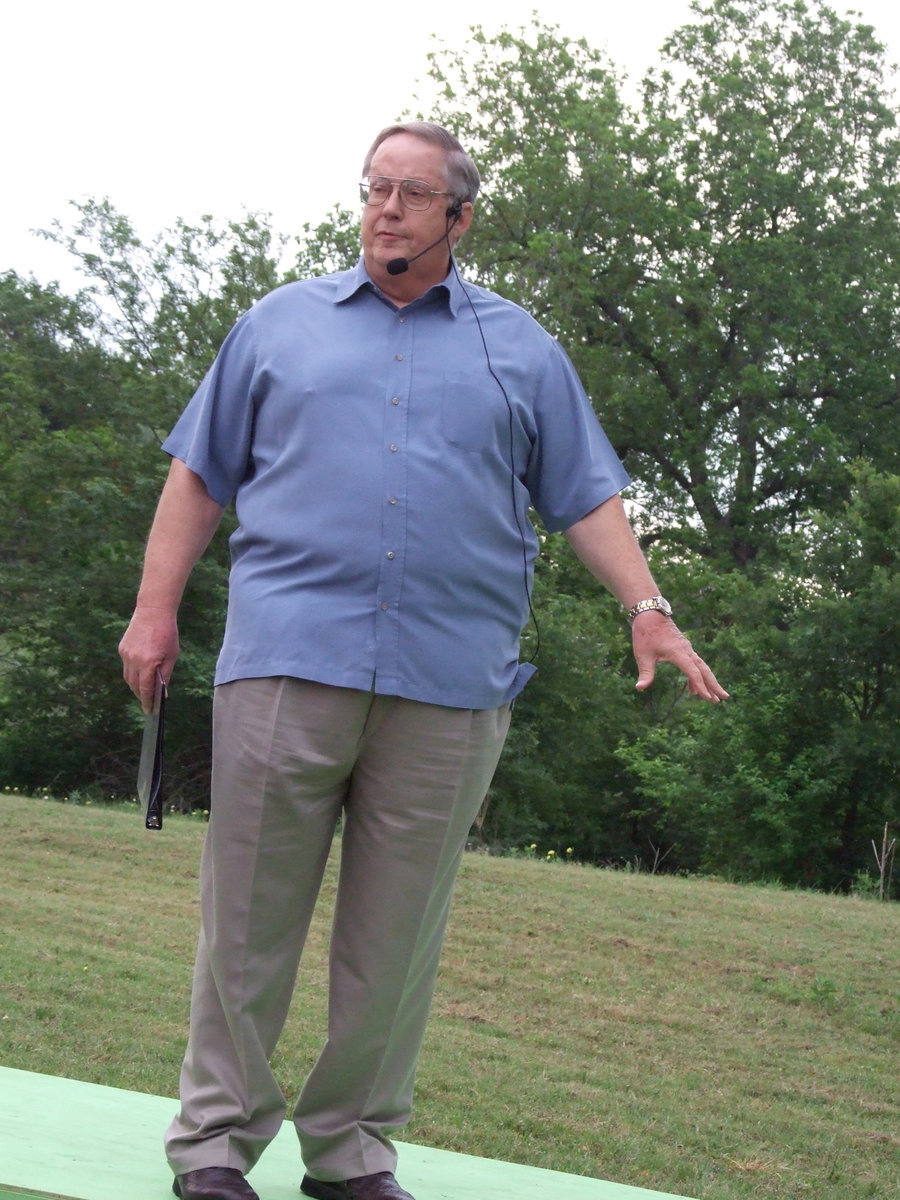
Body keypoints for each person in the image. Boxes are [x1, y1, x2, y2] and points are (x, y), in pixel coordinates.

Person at [119, 120, 727, 1200]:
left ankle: (351, 1154)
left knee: (395, 945)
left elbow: (584, 492)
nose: (385, 209)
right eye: (373, 189)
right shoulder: (277, 328)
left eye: (410, 194)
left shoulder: (522, 348)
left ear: (460, 217)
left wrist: (647, 604)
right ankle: (215, 1148)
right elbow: (197, 476)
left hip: (449, 685)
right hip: (286, 664)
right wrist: (153, 614)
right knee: (247, 925)